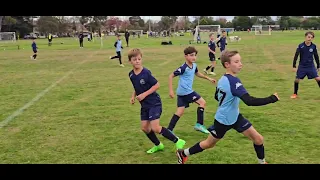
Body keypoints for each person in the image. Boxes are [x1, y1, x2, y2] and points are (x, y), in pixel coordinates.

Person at [176, 50, 280, 164]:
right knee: (209, 144)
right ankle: (183, 153)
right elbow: (249, 101)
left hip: (235, 117)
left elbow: (216, 96)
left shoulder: (222, 79)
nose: (241, 64)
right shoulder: (234, 82)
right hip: (223, 120)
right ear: (227, 64)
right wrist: (272, 98)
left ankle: (262, 162)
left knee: (258, 139)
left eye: (240, 61)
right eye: (236, 61)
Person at [128, 48, 186, 154]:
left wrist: (144, 94)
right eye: (134, 59)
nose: (137, 61)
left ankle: (178, 140)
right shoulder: (131, 75)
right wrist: (133, 96)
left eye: (139, 59)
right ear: (130, 61)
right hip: (144, 105)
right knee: (145, 128)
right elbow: (136, 87)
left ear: (141, 60)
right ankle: (159, 145)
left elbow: (157, 85)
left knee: (155, 127)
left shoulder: (146, 73)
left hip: (154, 103)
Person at [167, 46, 216, 135]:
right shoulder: (183, 67)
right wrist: (171, 91)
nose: (193, 57)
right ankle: (199, 125)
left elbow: (197, 73)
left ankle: (169, 130)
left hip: (181, 92)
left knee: (180, 111)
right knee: (202, 103)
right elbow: (171, 76)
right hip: (186, 92)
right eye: (191, 55)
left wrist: (208, 78)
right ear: (185, 56)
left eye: (195, 55)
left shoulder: (194, 66)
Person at [291, 31, 320, 99]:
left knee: (318, 78)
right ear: (305, 37)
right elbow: (296, 55)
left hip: (311, 66)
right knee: (297, 80)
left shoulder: (313, 46)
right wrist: (294, 66)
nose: (309, 39)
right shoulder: (301, 46)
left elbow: (316, 56)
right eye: (308, 37)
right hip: (302, 66)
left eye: (311, 37)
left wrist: (318, 66)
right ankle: (295, 94)